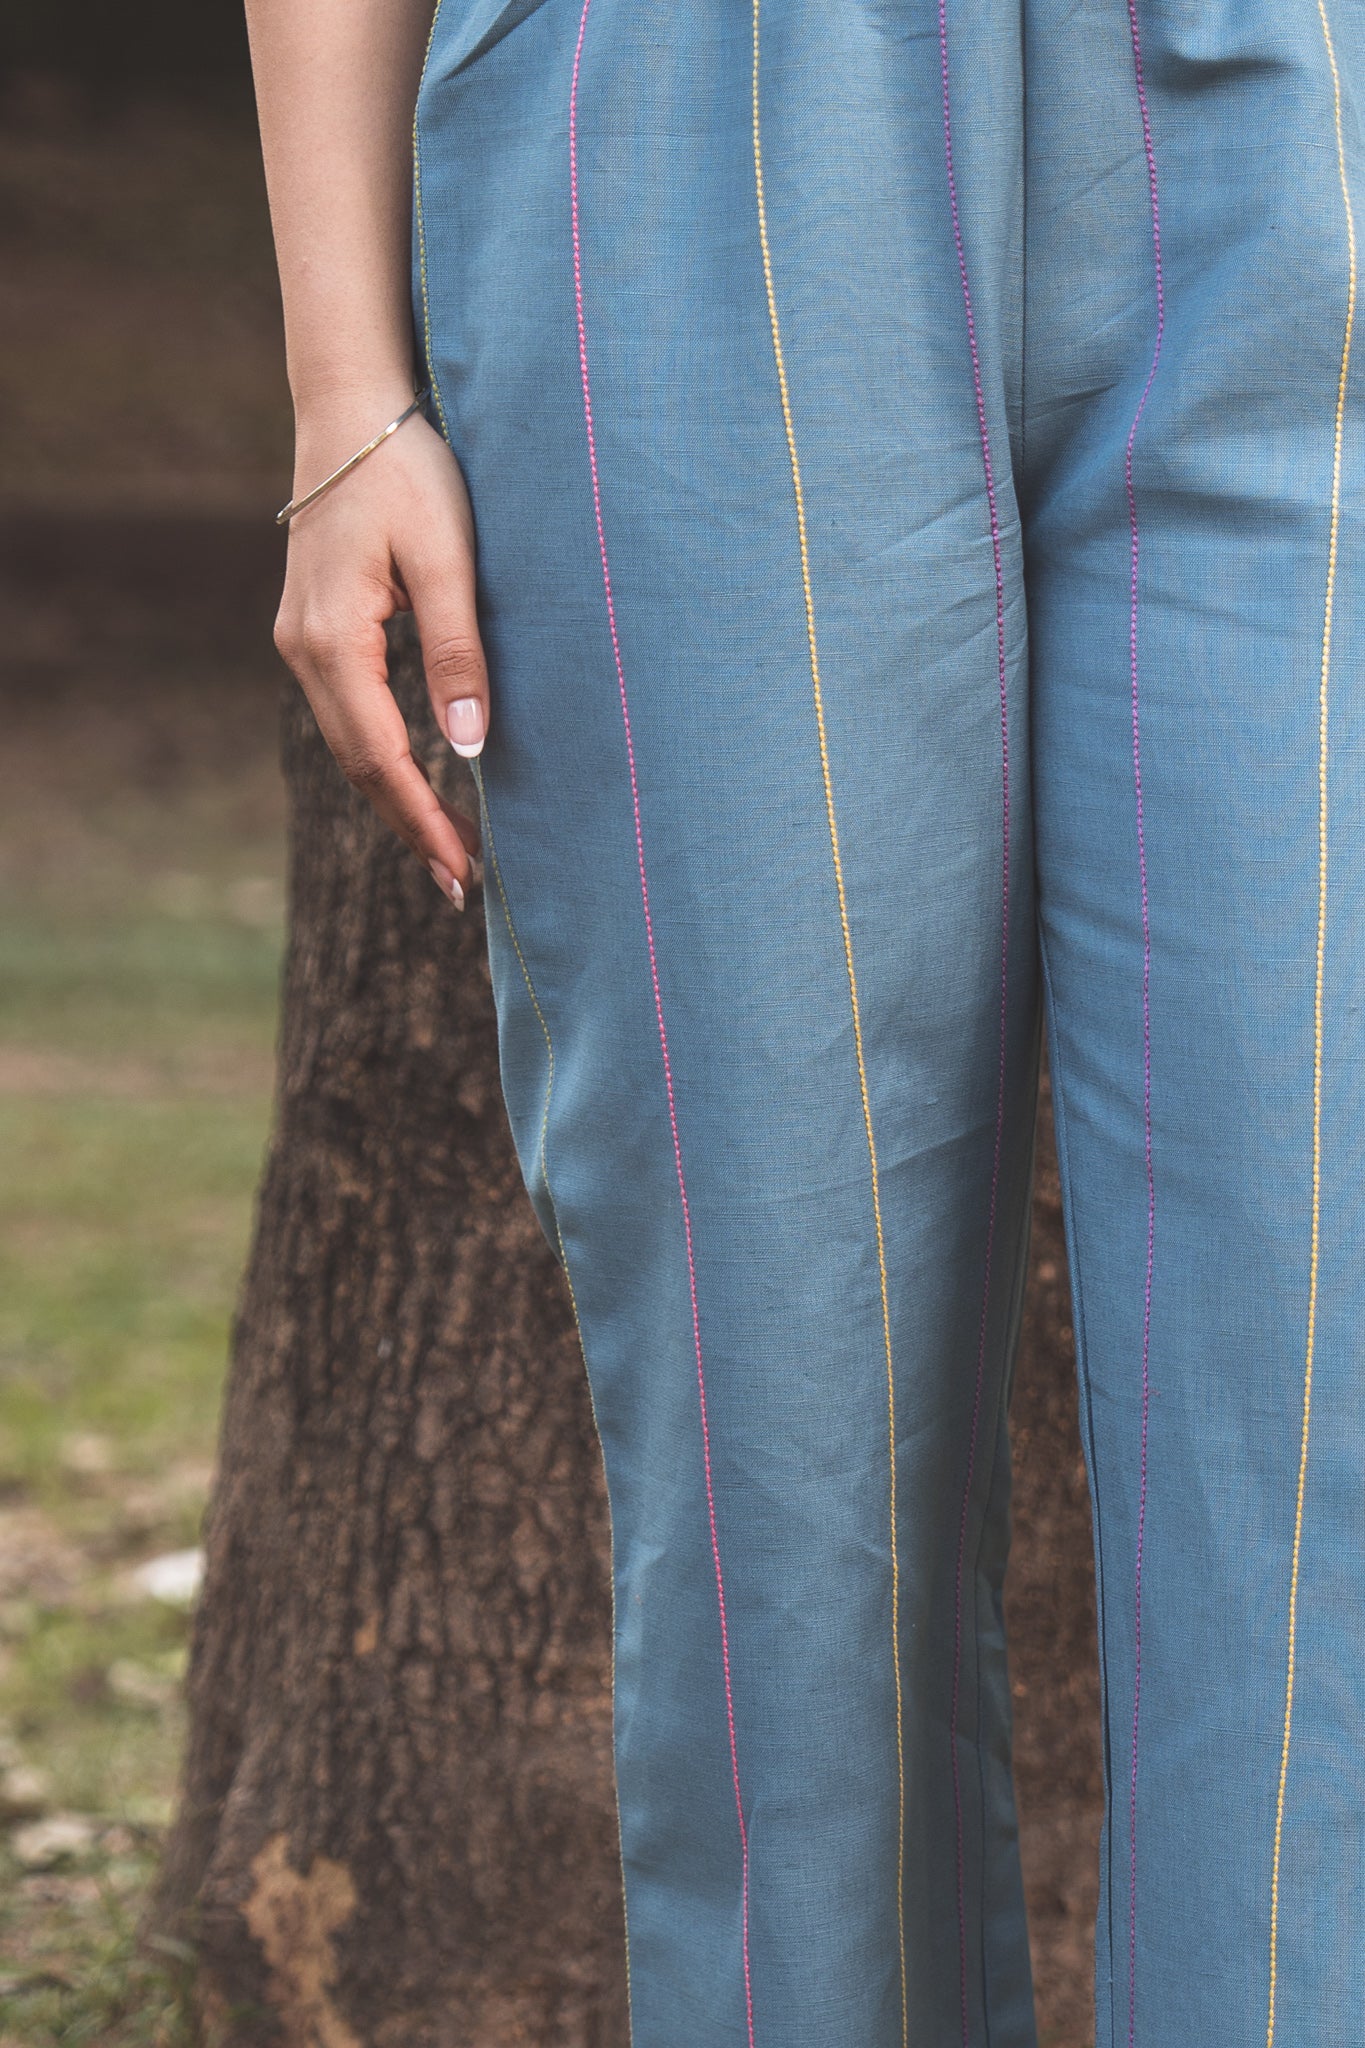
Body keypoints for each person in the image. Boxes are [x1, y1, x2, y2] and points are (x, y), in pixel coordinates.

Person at [244, 2, 1364, 2043]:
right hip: (691, 144)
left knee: (1305, 1388)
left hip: (1305, 141)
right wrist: (346, 385)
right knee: (780, 1424)